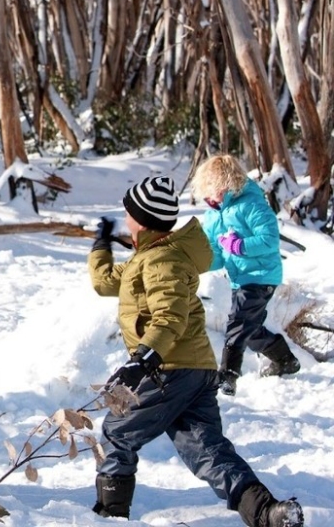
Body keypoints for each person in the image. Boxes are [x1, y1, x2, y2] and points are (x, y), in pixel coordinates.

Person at [86, 175, 303, 526]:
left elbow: (170, 316)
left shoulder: (161, 263)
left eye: (128, 213)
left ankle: (111, 516)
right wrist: (100, 245)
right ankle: (267, 513)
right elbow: (105, 282)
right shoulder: (152, 258)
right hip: (195, 369)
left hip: (168, 368)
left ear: (141, 220)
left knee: (117, 431)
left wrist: (145, 358)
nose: (125, 219)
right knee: (206, 450)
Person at [191, 155, 300, 396]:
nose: (211, 198)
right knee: (248, 330)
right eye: (207, 193)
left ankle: (227, 377)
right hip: (240, 278)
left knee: (237, 323)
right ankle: (285, 360)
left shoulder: (250, 204)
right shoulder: (213, 216)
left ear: (230, 184)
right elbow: (217, 254)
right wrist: (197, 264)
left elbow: (270, 240)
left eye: (216, 191)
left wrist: (239, 246)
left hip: (261, 276)